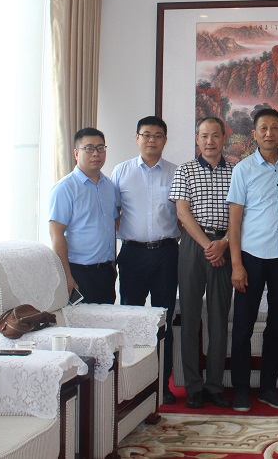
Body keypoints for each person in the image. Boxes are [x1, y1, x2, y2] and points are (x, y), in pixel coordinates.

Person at [226, 108, 278, 413]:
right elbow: (234, 222)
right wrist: (236, 265)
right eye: (263, 128)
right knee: (243, 326)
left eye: (274, 128)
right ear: (254, 134)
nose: (269, 133)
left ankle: (269, 387)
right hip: (251, 257)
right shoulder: (243, 169)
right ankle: (241, 390)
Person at [110, 115, 181, 404]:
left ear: (165, 140)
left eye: (158, 135)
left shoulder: (176, 172)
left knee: (164, 318)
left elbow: (182, 214)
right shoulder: (121, 171)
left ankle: (163, 383)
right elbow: (112, 215)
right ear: (137, 138)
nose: (152, 140)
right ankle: (131, 384)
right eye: (146, 134)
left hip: (166, 253)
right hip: (132, 254)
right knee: (131, 318)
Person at [169, 117, 234, 408]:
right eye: (204, 136)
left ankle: (215, 385)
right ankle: (193, 386)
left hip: (225, 245)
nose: (210, 141)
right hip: (193, 247)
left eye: (215, 135)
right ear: (197, 139)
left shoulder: (236, 171)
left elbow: (241, 214)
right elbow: (182, 213)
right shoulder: (185, 170)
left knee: (219, 318)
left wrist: (224, 243)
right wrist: (208, 245)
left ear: (224, 138)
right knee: (190, 318)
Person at [49, 127, 119, 304]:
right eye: (89, 148)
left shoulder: (109, 187)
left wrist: (112, 264)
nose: (96, 153)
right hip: (78, 271)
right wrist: (66, 275)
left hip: (106, 272)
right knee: (81, 321)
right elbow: (56, 234)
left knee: (107, 320)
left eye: (100, 148)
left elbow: (111, 227)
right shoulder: (65, 188)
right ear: (76, 153)